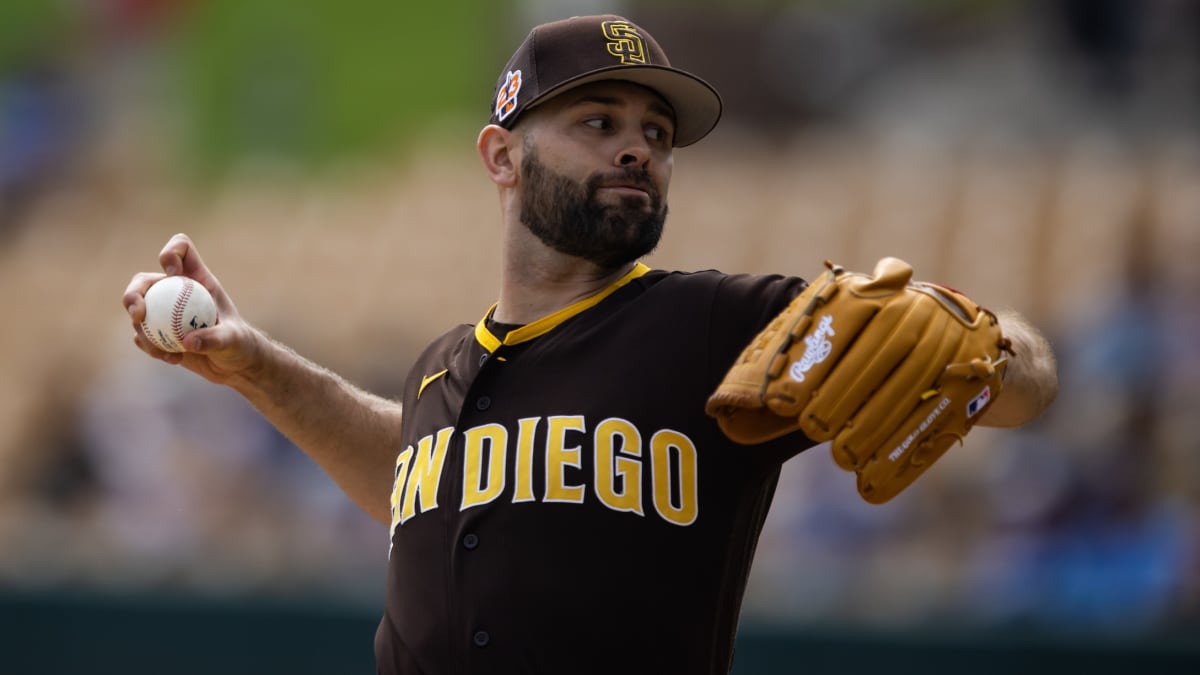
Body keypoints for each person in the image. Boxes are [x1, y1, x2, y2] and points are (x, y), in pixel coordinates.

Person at [122, 14, 1058, 675]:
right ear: (502, 156)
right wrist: (251, 365)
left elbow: (1030, 379)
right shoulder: (441, 367)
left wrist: (986, 345)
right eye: (597, 122)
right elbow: (413, 478)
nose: (638, 149)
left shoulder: (716, 325)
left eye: (656, 132)